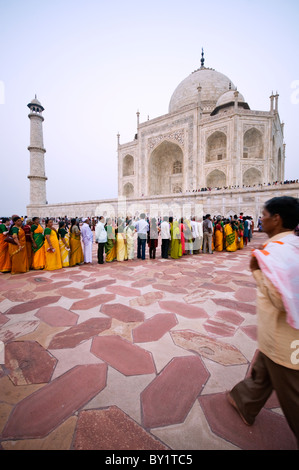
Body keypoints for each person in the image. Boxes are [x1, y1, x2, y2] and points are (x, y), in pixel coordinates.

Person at [227, 196, 299, 448]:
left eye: (265, 215)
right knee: (262, 372)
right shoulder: (292, 245)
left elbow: (281, 298)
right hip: (275, 337)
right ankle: (244, 401)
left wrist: (258, 270)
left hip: (289, 344)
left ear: (277, 219)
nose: (261, 219)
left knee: (294, 398)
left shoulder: (279, 251)